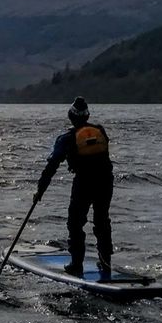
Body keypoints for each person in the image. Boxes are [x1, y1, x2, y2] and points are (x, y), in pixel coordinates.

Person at [34, 96, 114, 278]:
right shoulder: (100, 131)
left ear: (70, 116)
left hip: (84, 183)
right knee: (102, 221)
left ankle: (76, 265)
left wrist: (40, 189)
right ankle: (106, 264)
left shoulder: (66, 138)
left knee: (75, 223)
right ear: (87, 116)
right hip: (105, 181)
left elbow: (52, 165)